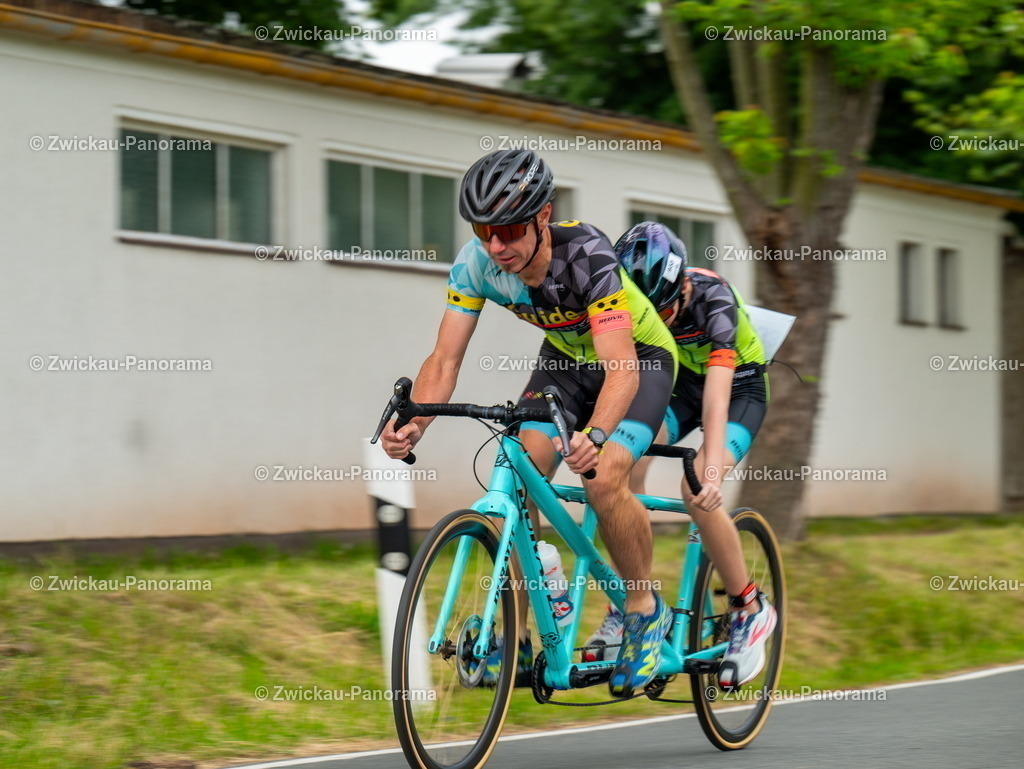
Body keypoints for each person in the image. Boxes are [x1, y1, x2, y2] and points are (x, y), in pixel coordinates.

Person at [381, 149, 678, 698]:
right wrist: (416, 421)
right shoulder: (477, 264)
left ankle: (643, 609)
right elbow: (444, 361)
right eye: (484, 230)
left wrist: (594, 436)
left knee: (606, 475)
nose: (497, 247)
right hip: (564, 364)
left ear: (543, 216)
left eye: (511, 229)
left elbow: (621, 371)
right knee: (516, 470)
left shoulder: (588, 256)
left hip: (636, 361)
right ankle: (524, 626)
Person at [582, 221, 777, 690]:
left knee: (695, 489)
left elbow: (716, 401)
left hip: (736, 391)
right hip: (677, 385)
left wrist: (710, 472)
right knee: (620, 470)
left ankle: (748, 608)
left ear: (684, 284)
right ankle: (634, 604)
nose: (662, 320)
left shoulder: (714, 301)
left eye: (667, 307)